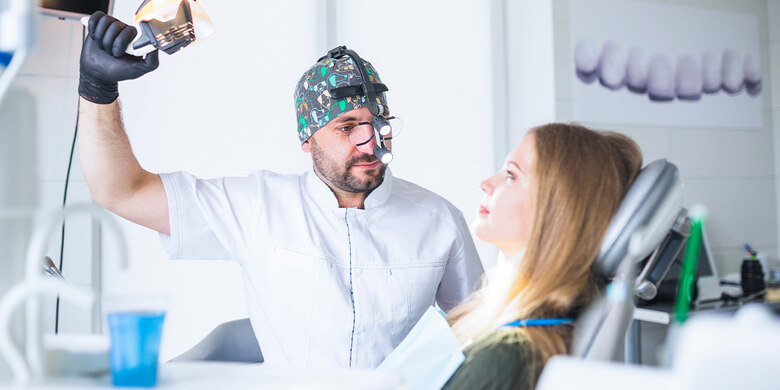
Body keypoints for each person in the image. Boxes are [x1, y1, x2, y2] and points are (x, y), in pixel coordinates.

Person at [76, 12, 484, 369]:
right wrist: (98, 90)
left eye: (379, 124)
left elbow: (480, 340)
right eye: (346, 127)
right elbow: (120, 191)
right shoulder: (257, 207)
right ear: (307, 139)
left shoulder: (440, 221)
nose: (370, 141)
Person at [441, 123, 642, 389]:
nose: (486, 183)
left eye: (511, 175)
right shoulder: (493, 323)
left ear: (557, 209)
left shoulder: (506, 356)